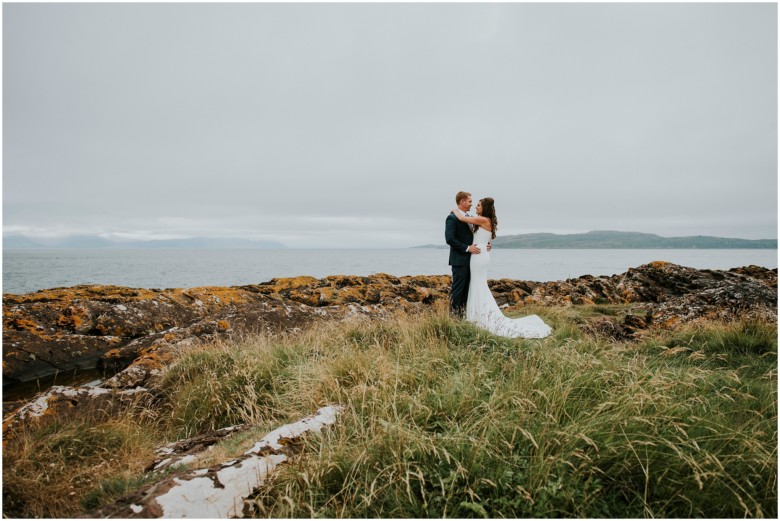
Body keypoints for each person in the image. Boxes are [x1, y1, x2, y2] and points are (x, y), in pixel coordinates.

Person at [451, 197, 552, 338]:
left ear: (484, 208)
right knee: (477, 284)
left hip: (479, 256)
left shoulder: (484, 220)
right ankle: (476, 314)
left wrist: (455, 210)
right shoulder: (485, 220)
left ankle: (479, 316)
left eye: (478, 205)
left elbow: (462, 219)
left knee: (478, 284)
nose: (476, 207)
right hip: (480, 253)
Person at [445, 191, 481, 318]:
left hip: (471, 260)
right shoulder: (452, 218)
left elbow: (474, 238)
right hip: (459, 260)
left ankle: (463, 316)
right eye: (470, 201)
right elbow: (449, 239)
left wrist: (484, 245)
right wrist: (467, 248)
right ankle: (453, 317)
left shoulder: (469, 217)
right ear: (462, 201)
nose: (472, 204)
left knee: (467, 290)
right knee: (458, 290)